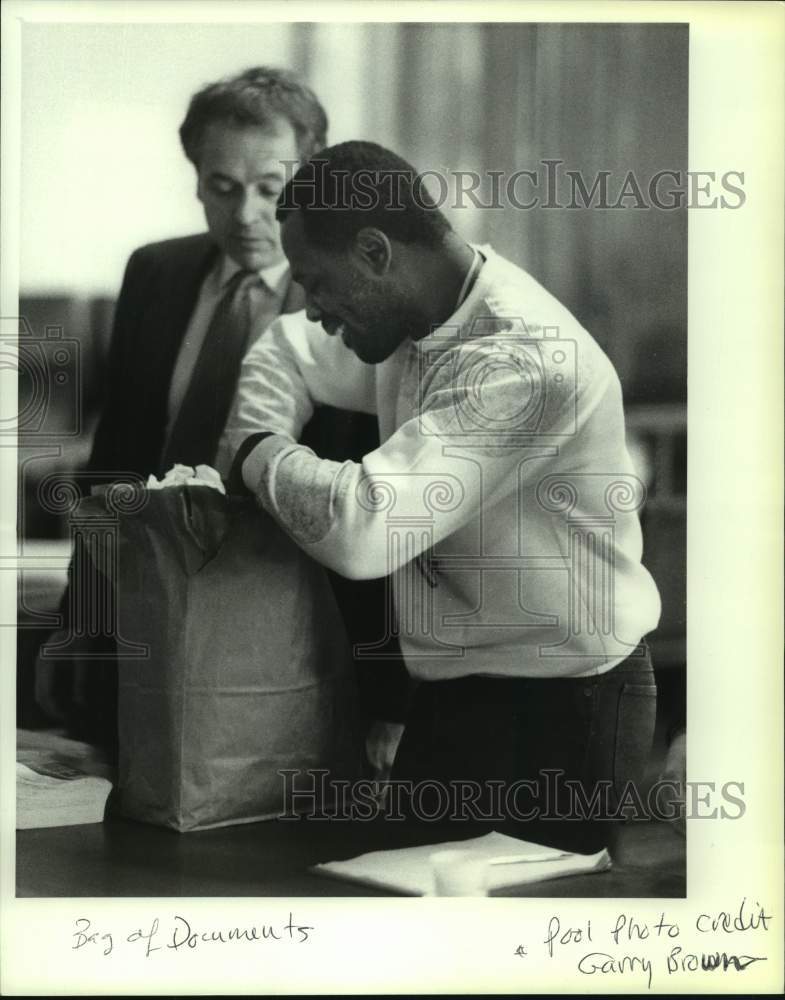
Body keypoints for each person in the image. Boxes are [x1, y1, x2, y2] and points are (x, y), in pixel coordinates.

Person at [222, 140, 663, 853]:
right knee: (410, 919)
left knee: (527, 941)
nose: (313, 311)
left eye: (316, 284)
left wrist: (255, 454)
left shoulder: (522, 360)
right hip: (455, 691)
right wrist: (260, 423)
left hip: (569, 705)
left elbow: (365, 530)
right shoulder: (410, 312)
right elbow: (282, 349)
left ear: (374, 252)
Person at [37, 72, 407, 761]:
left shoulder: (357, 295)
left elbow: (385, 503)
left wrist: (387, 697)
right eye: (222, 187)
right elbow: (113, 465)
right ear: (196, 178)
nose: (246, 215)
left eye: (272, 189)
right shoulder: (155, 273)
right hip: (151, 616)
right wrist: (77, 621)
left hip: (298, 638)